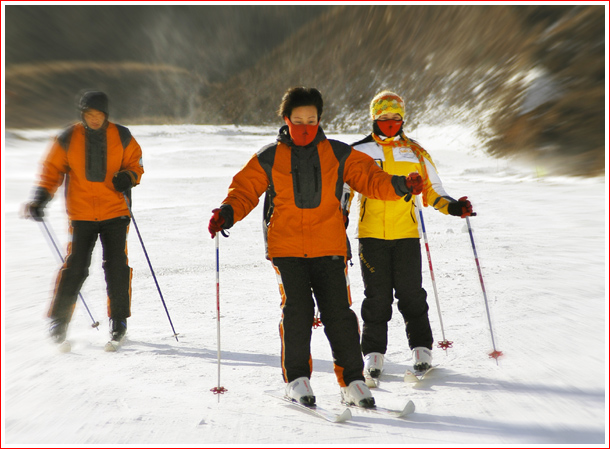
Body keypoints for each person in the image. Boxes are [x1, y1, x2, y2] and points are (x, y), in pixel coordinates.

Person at [208, 87, 422, 408]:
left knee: (340, 315)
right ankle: (297, 379)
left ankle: (352, 381)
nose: (305, 126)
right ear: (286, 120)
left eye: (311, 119)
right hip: (287, 249)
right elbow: (244, 191)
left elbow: (371, 179)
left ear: (320, 119)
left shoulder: (338, 153)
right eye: (298, 120)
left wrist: (401, 184)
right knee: (298, 312)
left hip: (330, 247)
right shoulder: (269, 157)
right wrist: (227, 212)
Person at [347, 90, 474, 377]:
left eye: (396, 117)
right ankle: (374, 354)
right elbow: (344, 189)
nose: (390, 122)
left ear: (403, 119)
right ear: (374, 118)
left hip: (406, 235)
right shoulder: (358, 151)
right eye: (384, 117)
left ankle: (421, 349)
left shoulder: (416, 152)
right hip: (371, 236)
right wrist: (338, 217)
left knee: (411, 295)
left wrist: (454, 207)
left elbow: (434, 190)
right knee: (376, 298)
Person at [23, 91, 144, 347]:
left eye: (99, 115)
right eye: (89, 115)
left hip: (116, 212)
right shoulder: (68, 138)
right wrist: (40, 197)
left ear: (106, 115)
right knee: (75, 266)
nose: (95, 119)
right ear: (82, 115)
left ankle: (118, 320)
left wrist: (129, 177)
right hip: (82, 216)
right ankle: (59, 320)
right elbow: (51, 170)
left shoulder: (122, 136)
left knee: (117, 267)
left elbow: (136, 164)